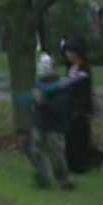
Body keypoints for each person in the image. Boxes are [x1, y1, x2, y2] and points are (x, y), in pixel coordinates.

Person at [29, 60, 76, 190]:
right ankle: (43, 179)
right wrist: (34, 104)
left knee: (56, 155)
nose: (42, 71)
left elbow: (60, 108)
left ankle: (64, 181)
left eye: (46, 68)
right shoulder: (39, 84)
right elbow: (35, 105)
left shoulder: (61, 87)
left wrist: (42, 101)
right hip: (39, 125)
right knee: (36, 152)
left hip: (54, 126)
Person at [63, 36, 103, 174]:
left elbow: (85, 91)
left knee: (80, 138)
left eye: (70, 52)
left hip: (81, 109)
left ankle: (82, 164)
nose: (67, 55)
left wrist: (82, 108)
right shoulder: (70, 68)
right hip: (70, 107)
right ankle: (73, 163)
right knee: (71, 137)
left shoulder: (84, 69)